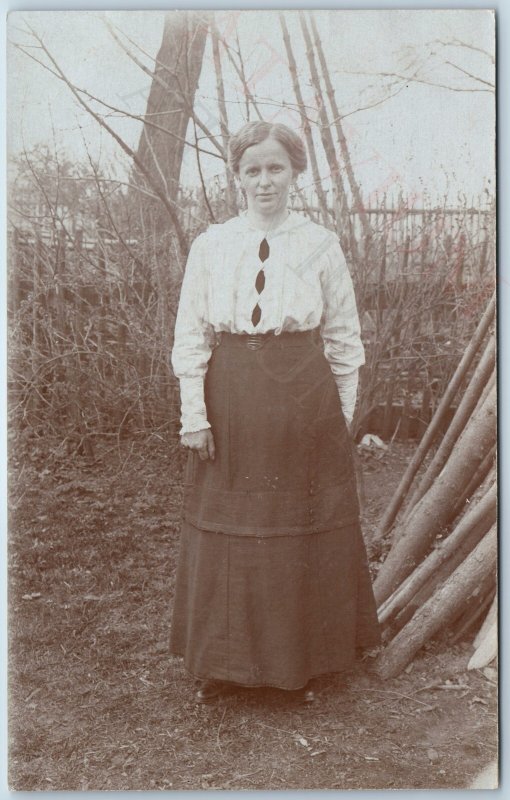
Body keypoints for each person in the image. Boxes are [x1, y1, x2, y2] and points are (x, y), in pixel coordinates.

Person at [170, 120, 381, 704]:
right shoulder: (211, 244)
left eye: (276, 168)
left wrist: (339, 416)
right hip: (231, 392)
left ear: (295, 173)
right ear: (237, 177)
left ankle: (300, 664)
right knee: (229, 526)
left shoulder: (321, 244)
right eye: (252, 170)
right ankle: (224, 664)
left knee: (299, 525)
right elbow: (190, 333)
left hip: (301, 397)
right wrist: (195, 414)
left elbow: (343, 336)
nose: (264, 181)